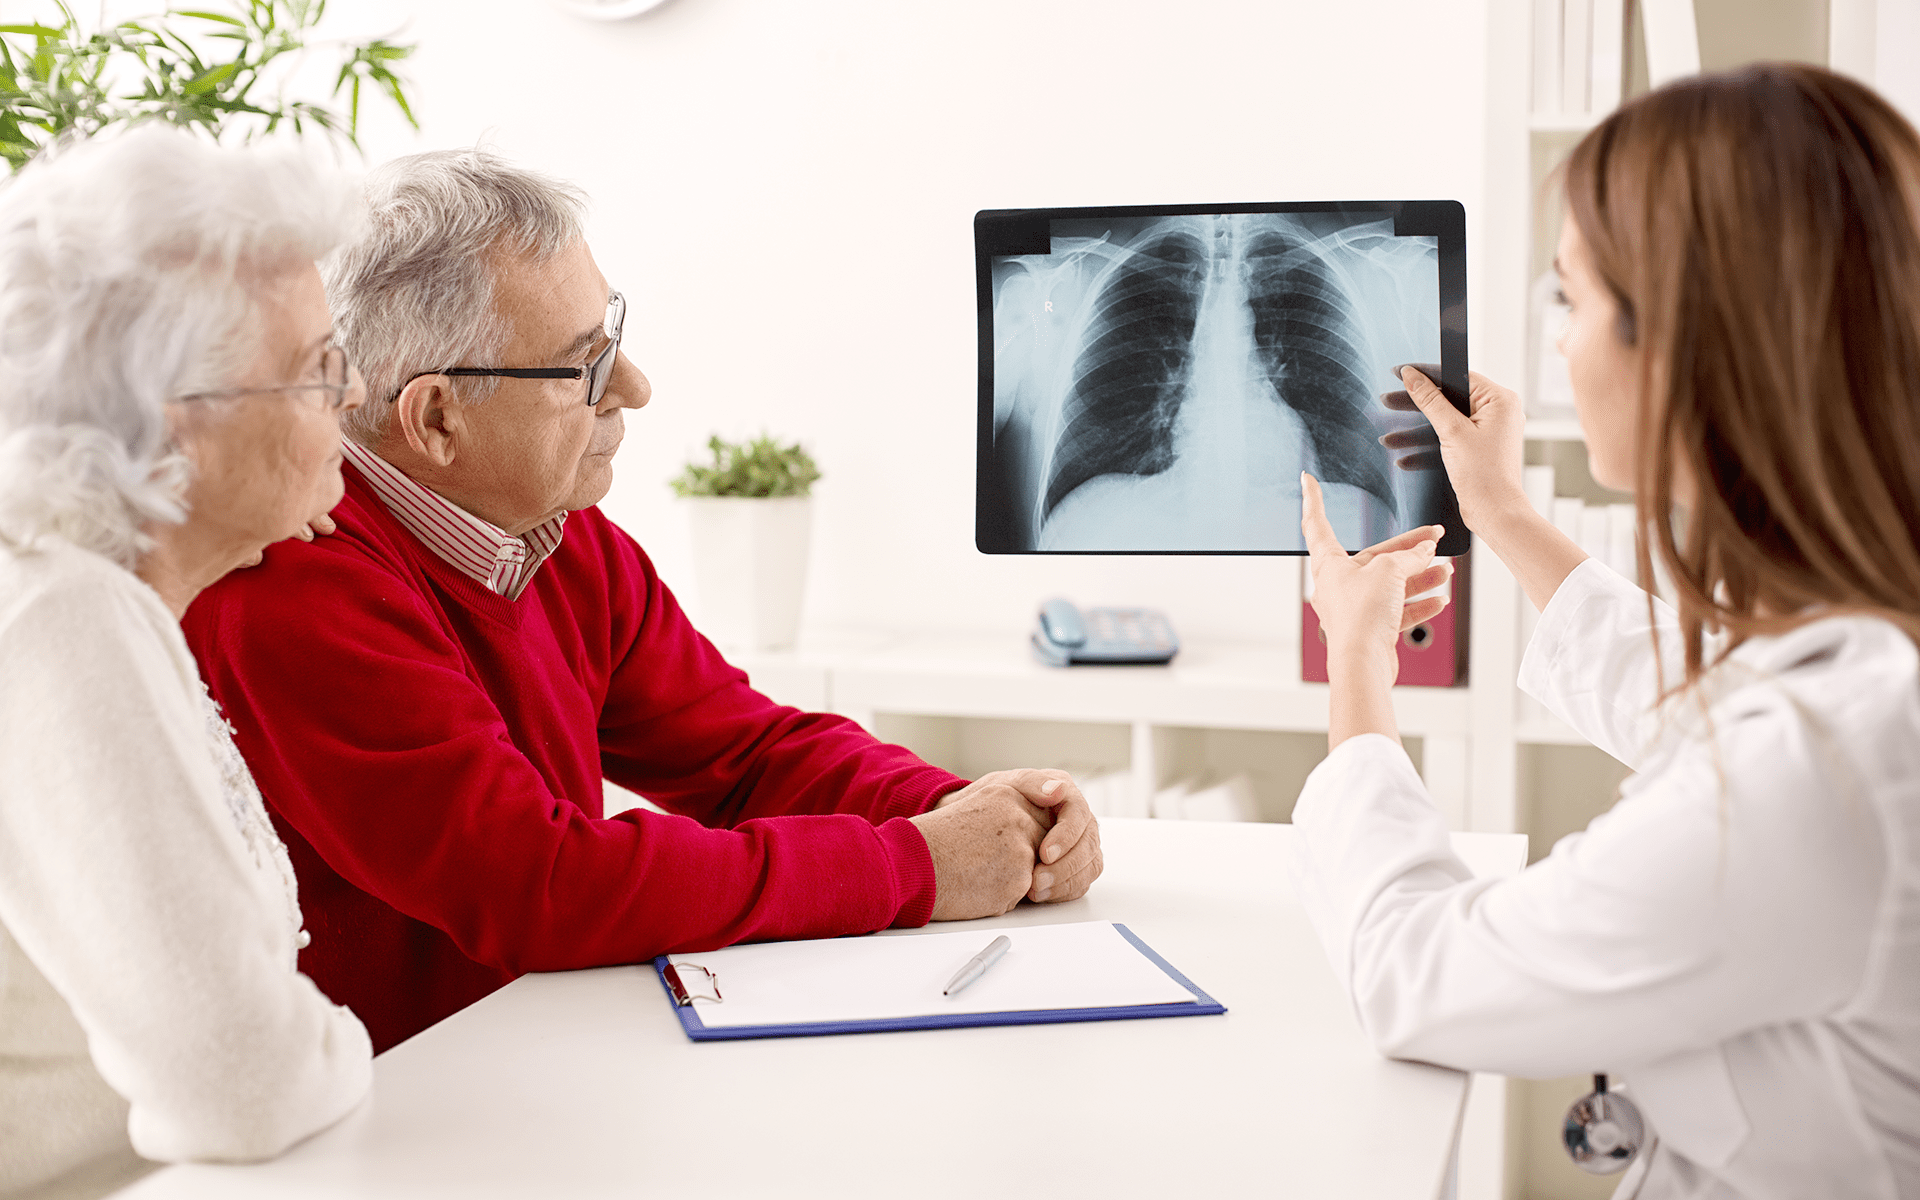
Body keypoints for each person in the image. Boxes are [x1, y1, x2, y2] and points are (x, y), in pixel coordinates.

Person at [183, 150, 1105, 1054]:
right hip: (391, 1120)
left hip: (536, 1054)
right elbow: (540, 884)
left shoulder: (554, 533)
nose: (633, 387)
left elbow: (743, 753)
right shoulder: (292, 584)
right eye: (584, 366)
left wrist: (971, 809)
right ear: (434, 420)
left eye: (612, 337)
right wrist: (919, 864)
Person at [1292, 63, 1920, 1198]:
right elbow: (1701, 706)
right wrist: (1505, 515)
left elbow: (1411, 976)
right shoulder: (1868, 656)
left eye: (1573, 301)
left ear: (1684, 345)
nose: (1561, 348)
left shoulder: (1812, 775)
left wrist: (1355, 665)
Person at [0, 127, 374, 1199]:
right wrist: (333, 1045)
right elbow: (244, 1083)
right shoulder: (59, 617)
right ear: (176, 427)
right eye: (315, 370)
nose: (350, 400)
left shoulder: (88, 595)